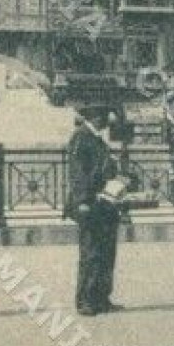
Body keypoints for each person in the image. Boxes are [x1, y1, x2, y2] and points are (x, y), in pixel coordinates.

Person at [67, 104, 126, 316]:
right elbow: (77, 173)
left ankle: (101, 298)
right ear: (94, 118)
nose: (107, 121)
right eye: (104, 117)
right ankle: (85, 300)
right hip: (90, 203)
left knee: (106, 252)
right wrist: (82, 200)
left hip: (105, 203)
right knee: (90, 253)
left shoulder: (98, 139)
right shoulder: (81, 137)